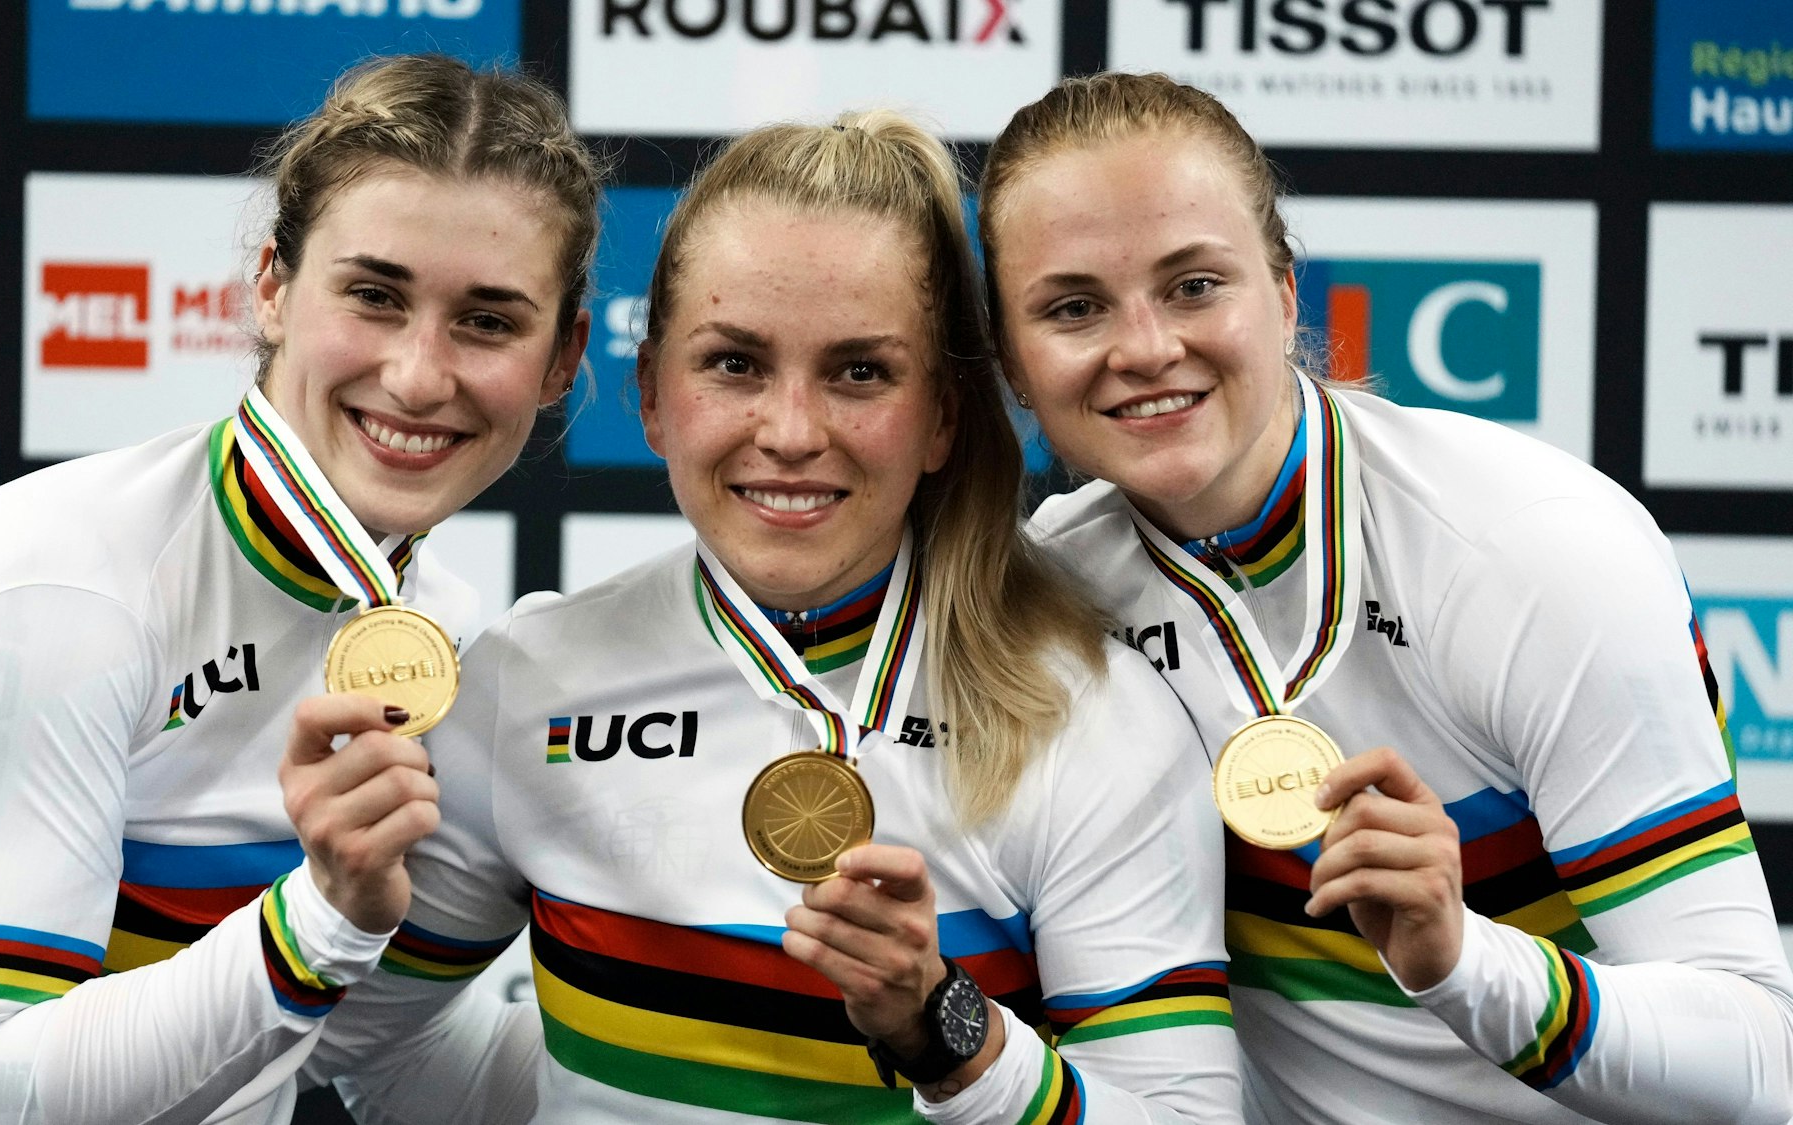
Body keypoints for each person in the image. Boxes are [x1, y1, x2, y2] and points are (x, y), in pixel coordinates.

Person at [297, 110, 1241, 1124]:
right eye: (735, 364)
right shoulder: (527, 680)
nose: (790, 433)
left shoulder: (1096, 718)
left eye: (858, 374)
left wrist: (949, 1034)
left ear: (940, 418)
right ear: (653, 394)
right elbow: (353, 1045)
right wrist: (330, 906)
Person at [0, 53, 597, 1125]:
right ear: (271, 286)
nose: (417, 373)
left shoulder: (438, 628)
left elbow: (367, 1055)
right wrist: (317, 924)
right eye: (373, 296)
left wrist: (784, 1040)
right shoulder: (55, 591)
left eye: (487, 321)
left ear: (559, 360)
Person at [984, 71, 1793, 1124]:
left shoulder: (1528, 551)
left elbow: (1757, 1058)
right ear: (1009, 361)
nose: (1143, 349)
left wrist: (1461, 959)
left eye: (1193, 286)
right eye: (1074, 307)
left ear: (1280, 296)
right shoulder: (1046, 595)